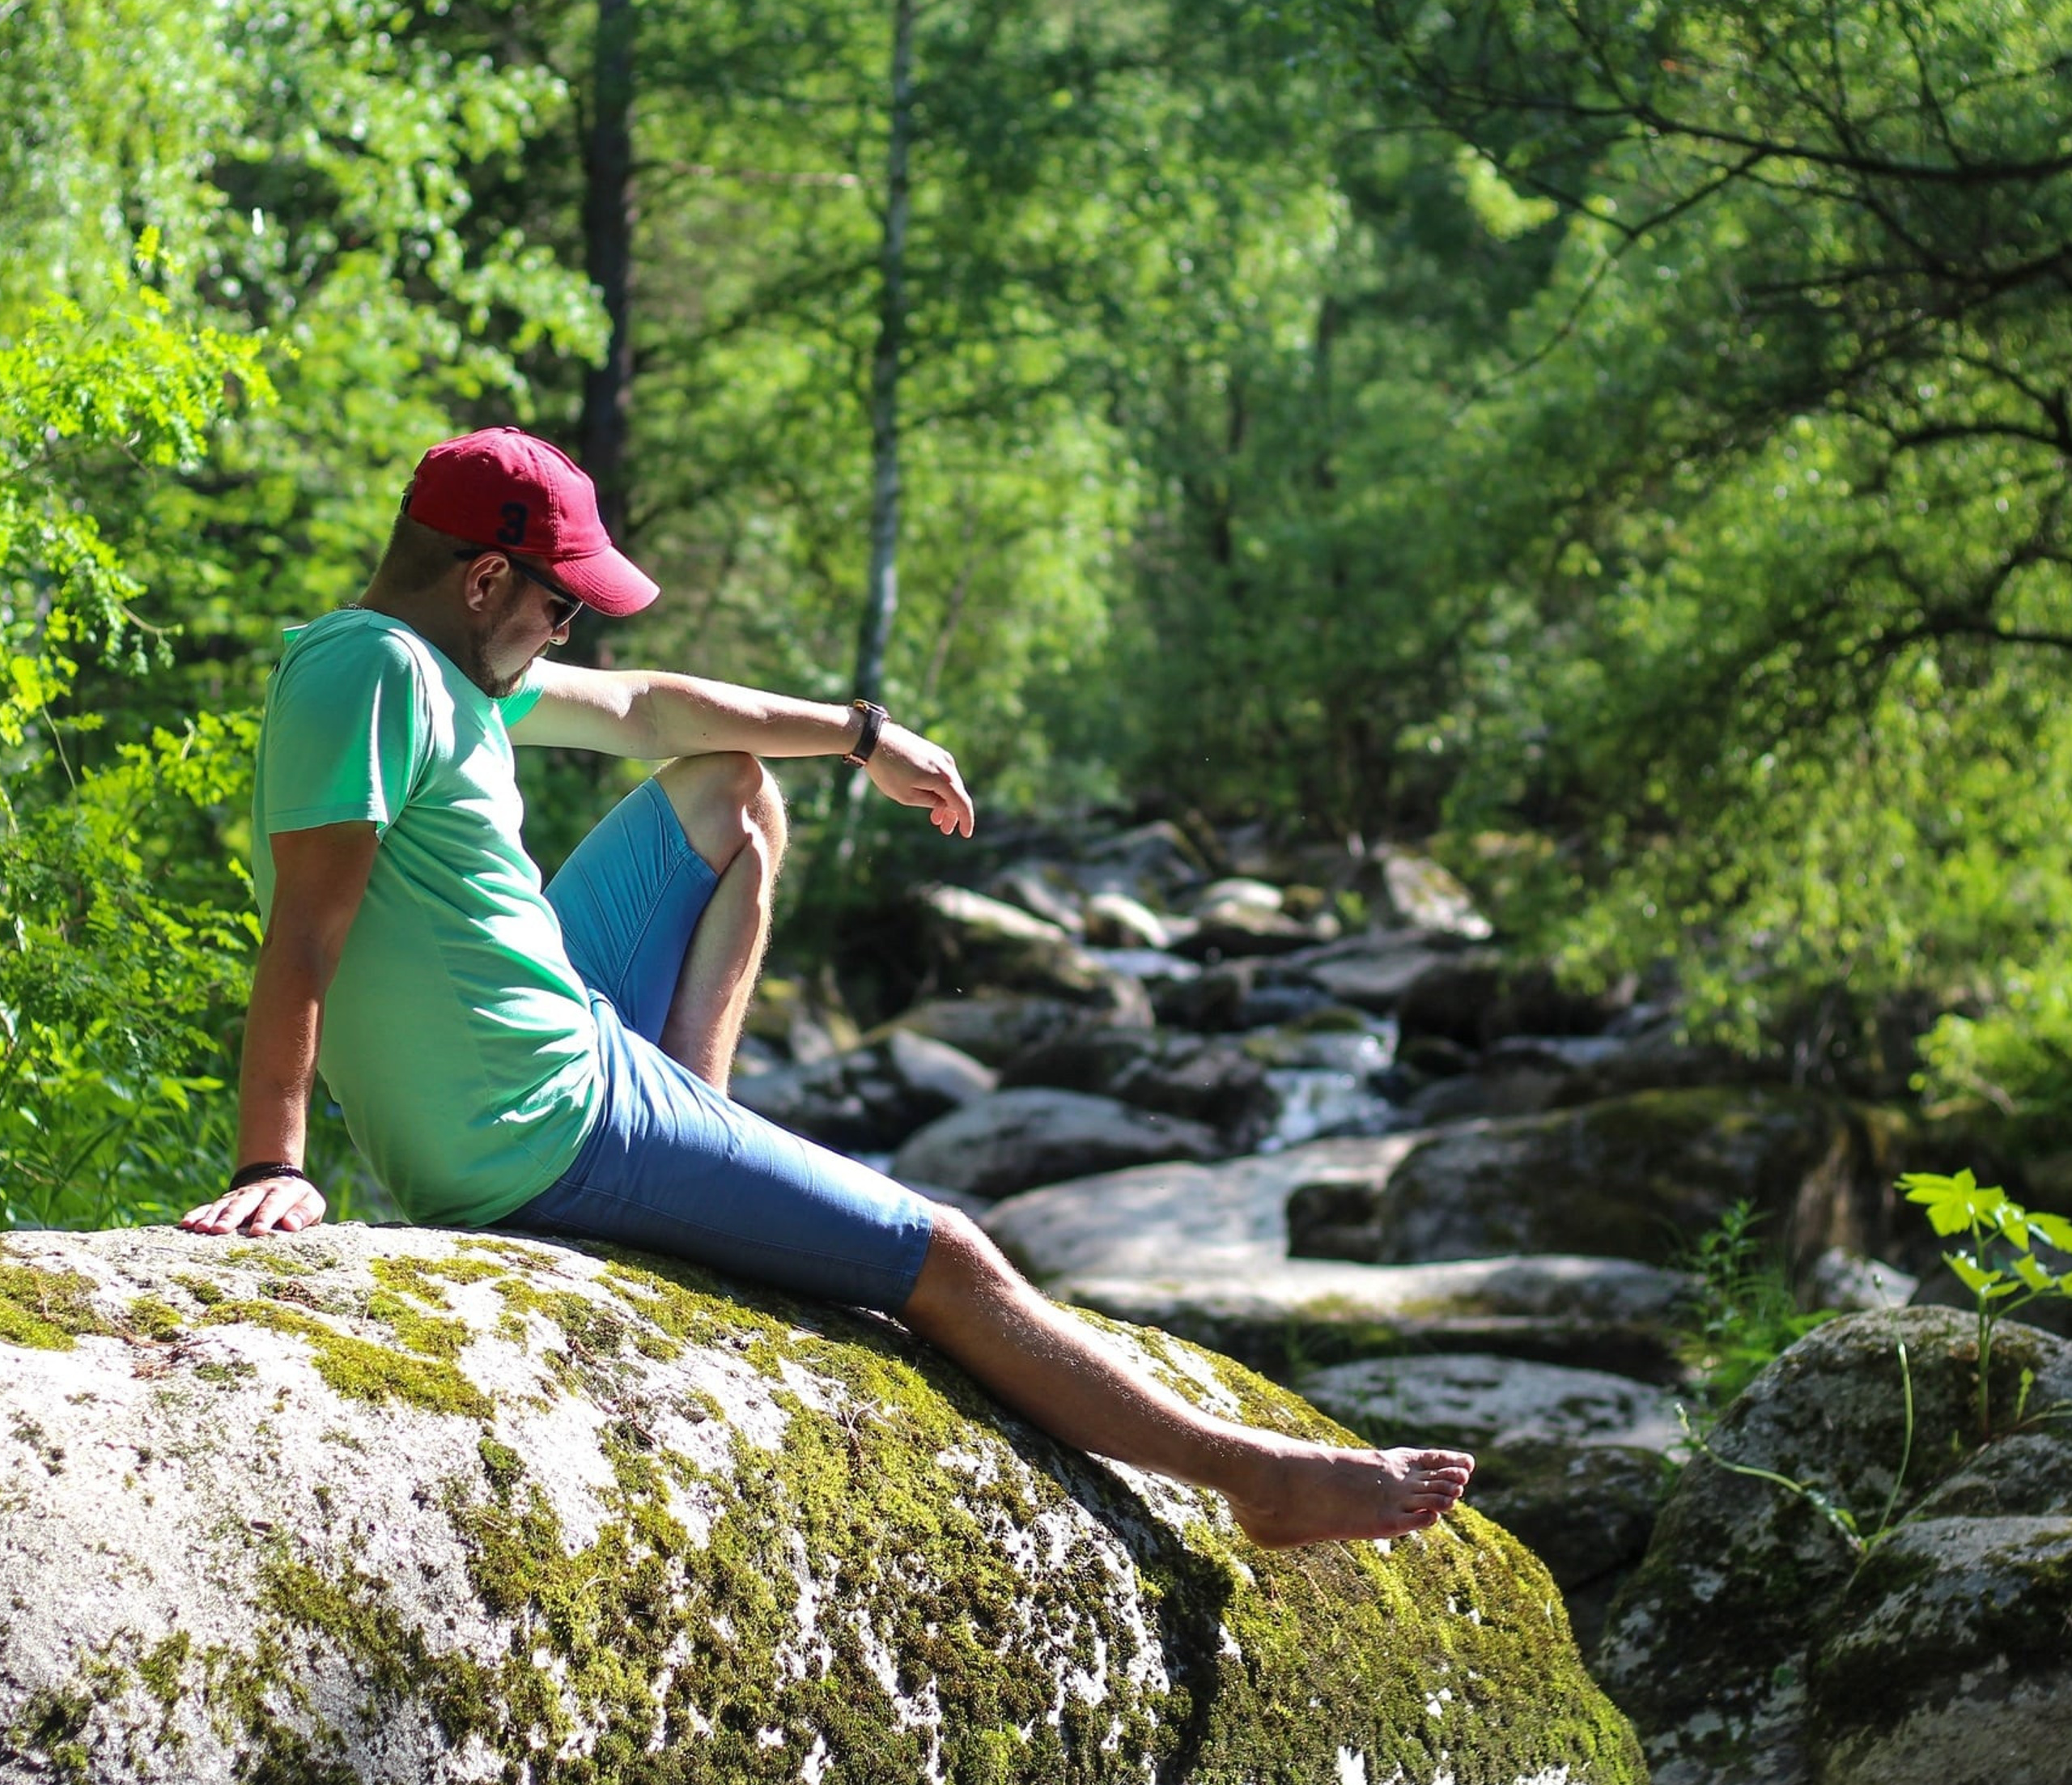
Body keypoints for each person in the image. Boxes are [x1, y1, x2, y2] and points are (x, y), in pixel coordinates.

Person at [180, 427, 1473, 1547]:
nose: (567, 628)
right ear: (482, 578)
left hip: (561, 1061)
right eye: (559, 604)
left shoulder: (443, 673)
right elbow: (304, 936)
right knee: (949, 1257)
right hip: (546, 1121)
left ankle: (699, 1129)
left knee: (735, 786)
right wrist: (268, 1166)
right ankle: (1259, 1480)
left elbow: (646, 708)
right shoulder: (377, 675)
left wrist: (866, 737)